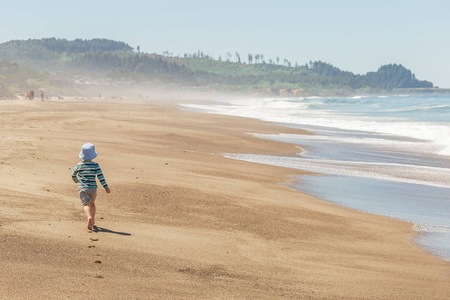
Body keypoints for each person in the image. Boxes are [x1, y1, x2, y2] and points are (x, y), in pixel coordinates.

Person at [71, 143, 110, 230]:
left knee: (85, 205)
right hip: (93, 188)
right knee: (92, 204)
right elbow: (100, 177)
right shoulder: (95, 165)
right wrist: (106, 187)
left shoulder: (79, 165)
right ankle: (92, 220)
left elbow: (73, 175)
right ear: (93, 155)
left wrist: (77, 181)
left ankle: (89, 217)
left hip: (82, 188)